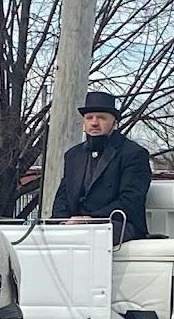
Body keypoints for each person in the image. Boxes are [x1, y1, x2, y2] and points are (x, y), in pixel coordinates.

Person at [52, 90, 152, 244]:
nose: (94, 123)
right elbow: (63, 197)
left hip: (119, 224)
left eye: (101, 118)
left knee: (89, 237)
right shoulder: (73, 155)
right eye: (89, 118)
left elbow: (130, 200)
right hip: (75, 225)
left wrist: (91, 220)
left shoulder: (134, 153)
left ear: (114, 122)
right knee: (40, 236)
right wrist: (61, 221)